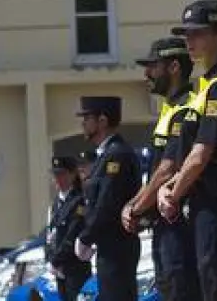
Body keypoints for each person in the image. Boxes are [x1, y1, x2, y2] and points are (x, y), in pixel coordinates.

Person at [156, 0, 217, 301]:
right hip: (209, 205)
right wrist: (171, 187)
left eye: (198, 33)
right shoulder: (210, 84)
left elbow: (202, 153)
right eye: (186, 34)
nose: (189, 40)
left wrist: (172, 194)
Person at [122, 37, 201, 301]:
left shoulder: (186, 109)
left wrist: (134, 209)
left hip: (181, 226)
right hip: (165, 227)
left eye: (153, 66)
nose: (147, 74)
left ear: (174, 67)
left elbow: (168, 170)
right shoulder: (170, 110)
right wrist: (135, 205)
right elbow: (156, 172)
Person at [75, 96, 143, 301]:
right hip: (109, 247)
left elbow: (107, 203)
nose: (83, 124)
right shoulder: (106, 155)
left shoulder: (117, 155)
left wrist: (86, 237)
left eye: (87, 118)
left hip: (117, 247)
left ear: (102, 121)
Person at [45, 155, 91, 301]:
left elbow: (72, 234)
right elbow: (50, 234)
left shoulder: (79, 201)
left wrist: (55, 260)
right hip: (59, 269)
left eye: (62, 174)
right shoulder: (56, 203)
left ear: (72, 174)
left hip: (74, 267)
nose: (57, 179)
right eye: (55, 174)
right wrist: (49, 258)